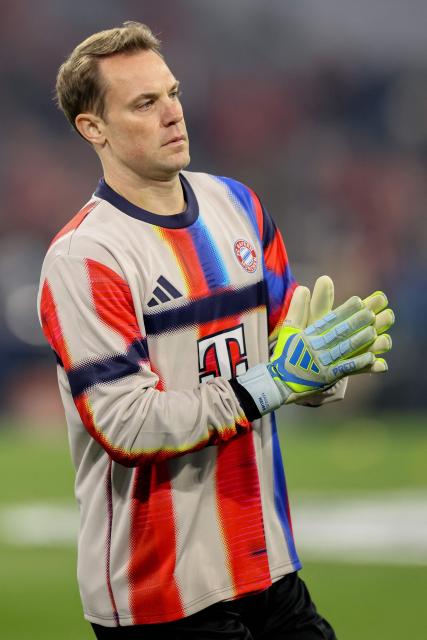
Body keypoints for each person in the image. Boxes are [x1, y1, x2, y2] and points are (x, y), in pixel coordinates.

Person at [37, 22, 393, 639]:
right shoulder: (86, 257)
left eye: (172, 93)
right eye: (144, 103)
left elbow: (285, 365)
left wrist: (321, 374)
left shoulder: (240, 206)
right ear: (92, 128)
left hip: (266, 565)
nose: (173, 113)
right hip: (160, 592)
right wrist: (271, 383)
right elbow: (128, 424)